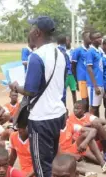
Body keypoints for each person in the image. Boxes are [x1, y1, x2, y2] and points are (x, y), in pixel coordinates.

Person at [9, 16, 66, 177]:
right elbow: (60, 86)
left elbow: (30, 91)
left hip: (41, 119)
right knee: (53, 161)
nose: (30, 31)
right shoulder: (60, 53)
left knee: (42, 167)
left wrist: (15, 87)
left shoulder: (36, 56)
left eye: (32, 28)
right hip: (57, 114)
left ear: (37, 32)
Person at [72, 32, 92, 112]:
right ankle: (85, 117)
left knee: (92, 102)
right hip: (82, 78)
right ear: (83, 39)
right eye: (88, 37)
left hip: (91, 79)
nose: (90, 38)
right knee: (85, 100)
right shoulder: (78, 50)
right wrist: (76, 80)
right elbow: (73, 66)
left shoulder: (92, 50)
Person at [85, 31, 104, 117]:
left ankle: (97, 125)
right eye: (97, 38)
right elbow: (89, 68)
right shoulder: (90, 51)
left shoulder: (99, 50)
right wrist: (95, 86)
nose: (100, 39)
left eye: (100, 37)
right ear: (92, 40)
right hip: (94, 84)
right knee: (93, 107)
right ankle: (89, 127)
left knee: (97, 106)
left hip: (100, 83)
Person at [57, 35, 77, 105]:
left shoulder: (73, 50)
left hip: (71, 74)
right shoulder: (60, 50)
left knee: (74, 92)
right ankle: (64, 108)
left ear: (70, 41)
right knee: (63, 93)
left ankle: (75, 108)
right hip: (64, 75)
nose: (67, 42)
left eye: (68, 40)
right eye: (66, 41)